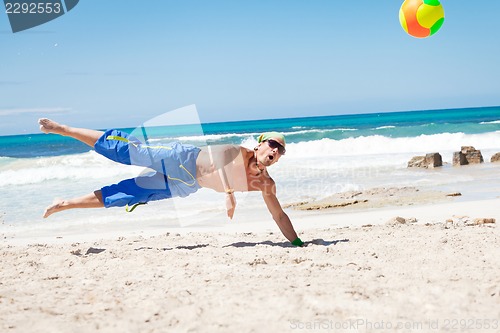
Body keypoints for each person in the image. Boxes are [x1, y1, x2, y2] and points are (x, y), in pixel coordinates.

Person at [38, 118, 305, 247]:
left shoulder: (266, 184)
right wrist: (228, 193)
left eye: (280, 151)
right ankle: (64, 129)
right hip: (180, 159)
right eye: (272, 144)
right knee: (126, 152)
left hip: (185, 185)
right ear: (260, 144)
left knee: (129, 195)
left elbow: (279, 215)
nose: (275, 151)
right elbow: (218, 163)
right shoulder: (238, 151)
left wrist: (296, 243)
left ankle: (65, 204)